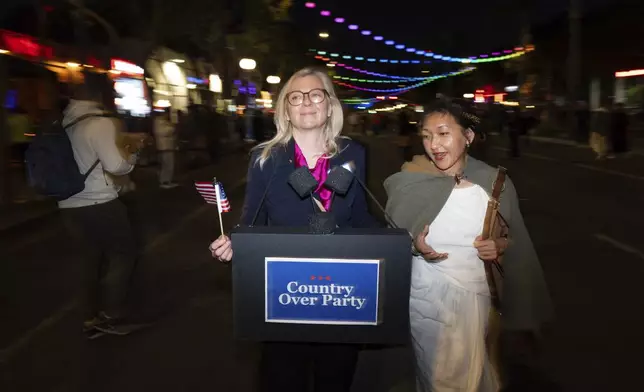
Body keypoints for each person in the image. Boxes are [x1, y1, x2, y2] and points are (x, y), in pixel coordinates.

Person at [209, 67, 379, 392]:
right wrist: (232, 243)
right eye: (296, 97)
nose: (306, 103)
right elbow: (252, 220)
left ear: (329, 104)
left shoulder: (352, 153)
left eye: (316, 94)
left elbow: (360, 215)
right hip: (287, 292)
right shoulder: (267, 158)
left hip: (340, 290)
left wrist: (400, 242)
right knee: (283, 378)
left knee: (336, 378)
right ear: (286, 108)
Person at [384, 100, 553, 392]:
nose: (433, 144)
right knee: (437, 376)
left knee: (473, 375)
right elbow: (391, 237)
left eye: (443, 133)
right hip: (425, 296)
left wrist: (499, 245)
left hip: (476, 298)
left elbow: (512, 238)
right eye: (426, 135)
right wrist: (414, 244)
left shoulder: (495, 182)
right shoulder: (409, 180)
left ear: (468, 137)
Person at [59, 74, 139, 336]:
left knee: (88, 259)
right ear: (98, 96)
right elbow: (116, 165)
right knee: (123, 253)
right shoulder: (99, 123)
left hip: (69, 204)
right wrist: (133, 153)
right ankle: (111, 315)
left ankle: (89, 318)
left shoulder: (64, 121)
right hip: (100, 202)